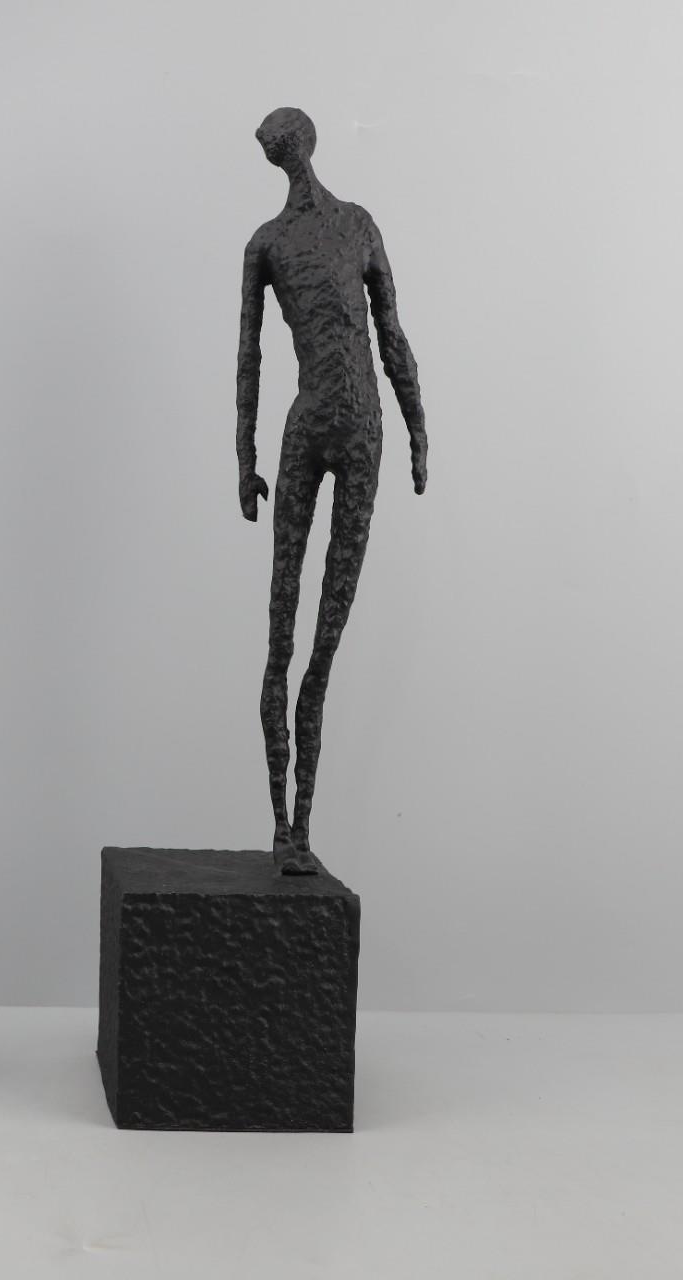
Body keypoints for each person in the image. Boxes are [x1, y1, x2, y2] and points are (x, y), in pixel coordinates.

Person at [236, 107, 428, 873]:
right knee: (285, 634)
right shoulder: (269, 243)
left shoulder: (355, 226)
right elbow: (249, 353)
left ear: (291, 146)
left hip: (357, 435)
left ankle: (299, 829)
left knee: (318, 644)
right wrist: (244, 457)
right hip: (320, 428)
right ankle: (285, 828)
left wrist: (416, 428)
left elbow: (391, 336)